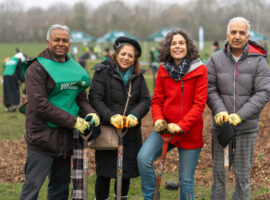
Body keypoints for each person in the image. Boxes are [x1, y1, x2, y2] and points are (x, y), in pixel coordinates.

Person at [19, 24, 100, 200]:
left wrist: (90, 113)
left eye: (65, 40)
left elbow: (80, 98)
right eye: (57, 40)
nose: (61, 43)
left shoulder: (74, 68)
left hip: (65, 139)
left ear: (70, 43)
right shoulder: (37, 68)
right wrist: (74, 122)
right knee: (32, 188)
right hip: (42, 139)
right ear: (48, 42)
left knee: (60, 189)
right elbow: (40, 105)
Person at [137, 29, 208, 200]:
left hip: (190, 131)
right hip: (166, 129)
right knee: (143, 158)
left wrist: (182, 125)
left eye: (181, 43)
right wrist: (158, 119)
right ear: (168, 47)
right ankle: (151, 197)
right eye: (173, 43)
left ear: (188, 46)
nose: (177, 46)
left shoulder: (200, 70)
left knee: (185, 180)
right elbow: (157, 100)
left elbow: (199, 104)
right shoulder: (163, 70)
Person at [206, 17, 270, 200]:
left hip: (246, 129)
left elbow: (264, 92)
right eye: (233, 32)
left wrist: (239, 116)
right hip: (221, 127)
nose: (237, 36)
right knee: (219, 176)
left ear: (248, 36)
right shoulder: (215, 59)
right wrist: (220, 111)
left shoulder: (259, 61)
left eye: (241, 33)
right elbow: (209, 89)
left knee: (242, 176)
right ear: (227, 35)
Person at [89, 36, 151, 200]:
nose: (126, 58)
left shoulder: (138, 77)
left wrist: (134, 115)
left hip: (129, 133)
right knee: (104, 173)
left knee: (125, 172)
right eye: (123, 54)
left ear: (134, 59)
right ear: (116, 54)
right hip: (107, 130)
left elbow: (145, 100)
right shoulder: (102, 72)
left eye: (130, 56)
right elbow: (95, 98)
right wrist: (111, 116)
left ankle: (121, 197)